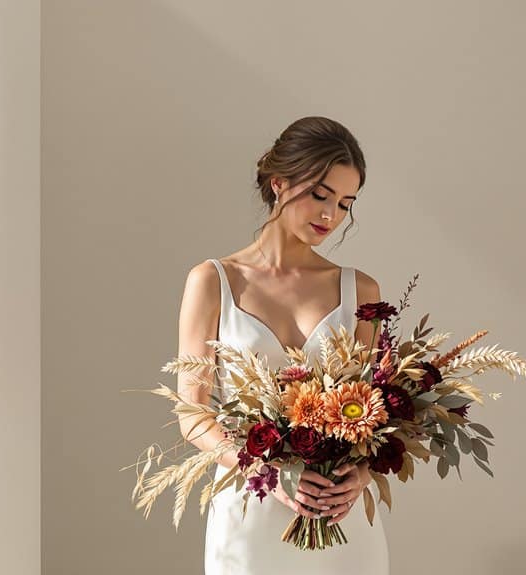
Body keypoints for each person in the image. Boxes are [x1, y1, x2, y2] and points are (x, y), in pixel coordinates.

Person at [175, 116, 390, 574]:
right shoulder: (213, 282)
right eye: (320, 195)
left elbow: (377, 408)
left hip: (339, 514)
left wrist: (361, 473)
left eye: (345, 203)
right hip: (250, 511)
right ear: (279, 183)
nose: (330, 216)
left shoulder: (361, 291)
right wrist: (267, 473)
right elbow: (190, 412)